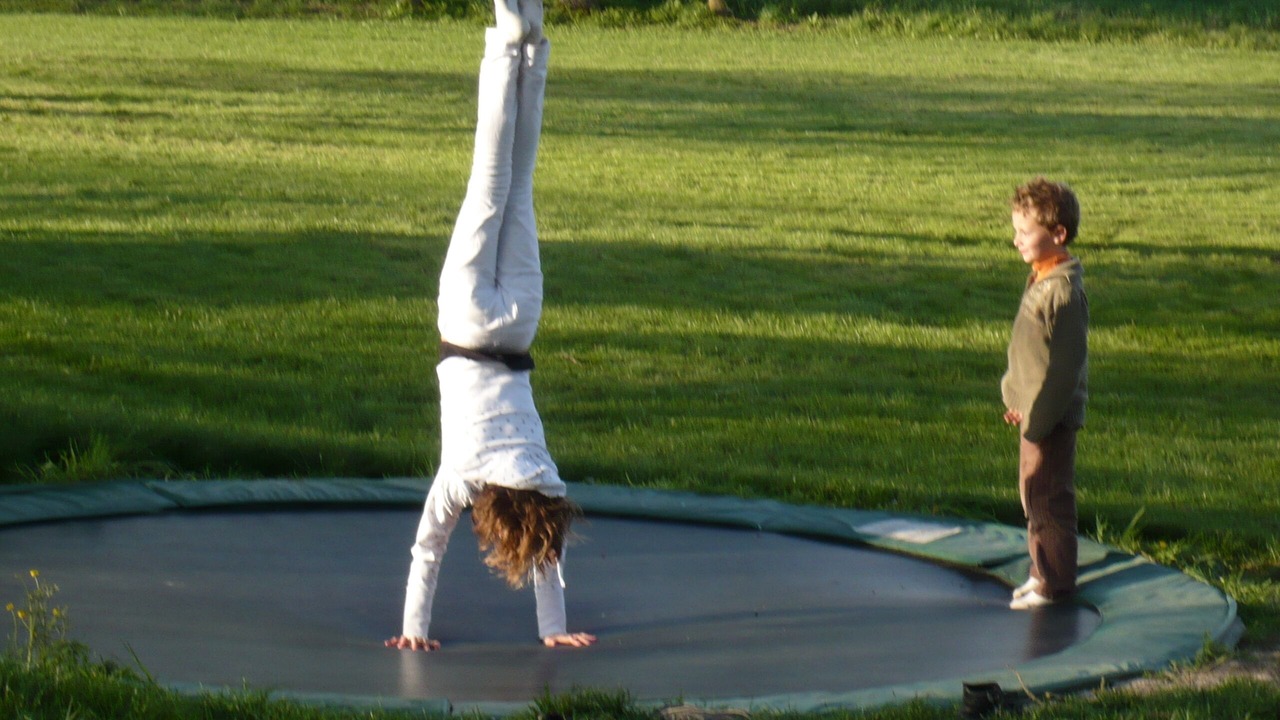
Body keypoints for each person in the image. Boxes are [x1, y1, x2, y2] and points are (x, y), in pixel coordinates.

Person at [385, 0, 597, 651]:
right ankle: (508, 43)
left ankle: (531, 47)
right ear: (493, 517)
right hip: (466, 323)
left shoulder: (545, 476)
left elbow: (549, 559)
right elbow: (427, 551)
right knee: (491, 178)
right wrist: (411, 631)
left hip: (518, 326)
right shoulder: (463, 478)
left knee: (518, 181)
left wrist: (555, 624)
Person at [1001, 177, 1089, 611]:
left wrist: (1040, 418)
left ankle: (1055, 583)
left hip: (1051, 417)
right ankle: (1041, 572)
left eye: (1024, 232)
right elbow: (1028, 353)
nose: (1015, 240)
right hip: (1033, 412)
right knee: (1032, 494)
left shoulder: (1064, 291)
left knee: (1050, 497)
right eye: (1015, 230)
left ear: (1058, 235)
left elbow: (1064, 368)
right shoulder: (1041, 277)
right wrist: (1015, 397)